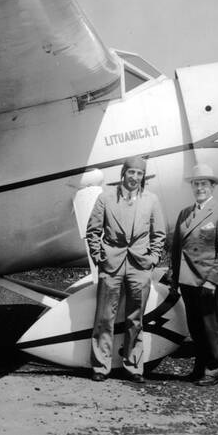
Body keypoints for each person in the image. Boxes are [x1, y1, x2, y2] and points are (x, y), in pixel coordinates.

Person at [86, 156, 166, 382]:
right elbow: (93, 231)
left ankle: (134, 367)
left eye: (139, 174)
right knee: (104, 317)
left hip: (140, 266)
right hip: (111, 264)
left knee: (136, 319)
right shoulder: (106, 198)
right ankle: (101, 367)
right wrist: (99, 256)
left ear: (143, 177)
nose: (135, 178)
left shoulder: (151, 200)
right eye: (131, 173)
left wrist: (153, 258)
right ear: (124, 174)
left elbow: (159, 234)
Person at [167, 163, 218, 386]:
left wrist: (213, 281)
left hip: (208, 281)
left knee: (211, 326)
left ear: (212, 187)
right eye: (196, 184)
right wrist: (174, 279)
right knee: (195, 327)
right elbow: (177, 249)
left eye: (204, 184)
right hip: (188, 280)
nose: (199, 188)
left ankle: (214, 369)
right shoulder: (184, 213)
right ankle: (199, 367)